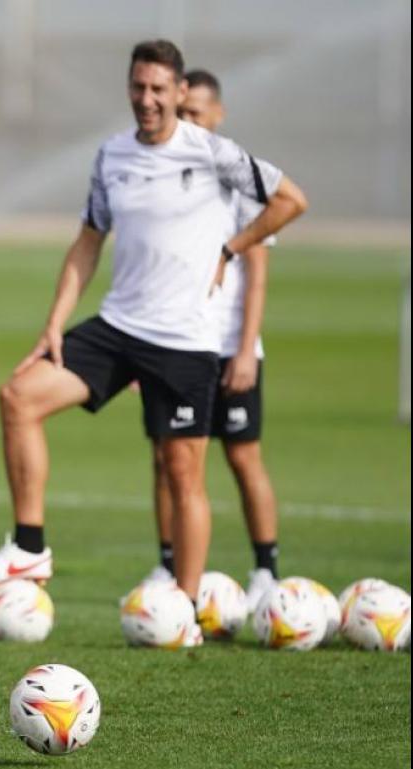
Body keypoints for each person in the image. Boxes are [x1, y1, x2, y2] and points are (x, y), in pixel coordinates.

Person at [0, 41, 306, 630]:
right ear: (130, 88)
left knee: (182, 472)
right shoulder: (111, 156)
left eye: (158, 90)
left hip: (186, 342)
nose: (147, 99)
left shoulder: (214, 153)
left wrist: (232, 247)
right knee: (18, 396)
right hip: (118, 328)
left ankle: (185, 612)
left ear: (176, 93)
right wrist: (52, 324)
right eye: (139, 88)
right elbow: (88, 242)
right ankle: (30, 545)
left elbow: (291, 200)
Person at [142, 69, 281, 610]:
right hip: (171, 345)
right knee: (165, 457)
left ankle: (266, 568)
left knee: (243, 458)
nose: (191, 121)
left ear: (217, 115)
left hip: (226, 347)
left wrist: (245, 349)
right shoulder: (167, 178)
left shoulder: (237, 179)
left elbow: (259, 272)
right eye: (186, 112)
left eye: (200, 113)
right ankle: (168, 562)